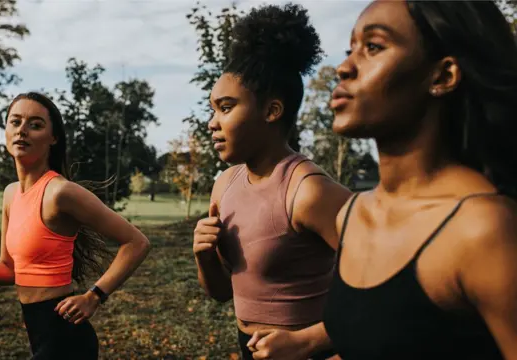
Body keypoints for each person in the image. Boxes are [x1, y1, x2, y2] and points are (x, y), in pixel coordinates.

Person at [248, 1, 517, 359]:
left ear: (442, 76)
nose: (344, 68)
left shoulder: (482, 229)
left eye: (373, 47)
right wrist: (303, 342)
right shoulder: (354, 214)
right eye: (350, 49)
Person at [192, 4, 352, 360]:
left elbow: (390, 289)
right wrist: (204, 256)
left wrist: (310, 341)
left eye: (226, 107)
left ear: (271, 111)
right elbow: (221, 292)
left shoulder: (308, 191)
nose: (212, 123)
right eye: (212, 108)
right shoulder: (225, 184)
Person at [0, 92, 151, 359]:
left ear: (53, 138)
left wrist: (94, 296)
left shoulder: (60, 193)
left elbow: (137, 242)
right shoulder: (11, 194)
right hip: (37, 331)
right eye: (15, 122)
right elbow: (10, 270)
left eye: (35, 125)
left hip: (67, 336)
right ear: (6, 130)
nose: (22, 130)